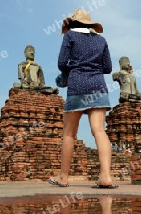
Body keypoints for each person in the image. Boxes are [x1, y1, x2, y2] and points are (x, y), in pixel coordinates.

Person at [48, 8, 118, 188]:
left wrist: (74, 69)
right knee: (99, 131)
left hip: (77, 84)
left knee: (69, 133)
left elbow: (62, 62)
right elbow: (108, 67)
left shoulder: (70, 36)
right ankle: (105, 176)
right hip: (98, 85)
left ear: (72, 24)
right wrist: (92, 66)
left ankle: (63, 177)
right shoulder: (101, 40)